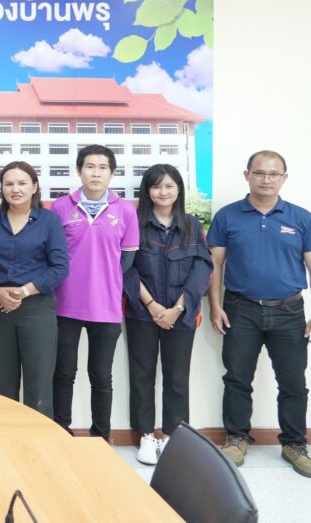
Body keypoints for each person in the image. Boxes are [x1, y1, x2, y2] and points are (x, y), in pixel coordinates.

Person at [207, 150, 311, 478]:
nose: (266, 179)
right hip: (240, 309)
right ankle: (236, 438)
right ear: (247, 175)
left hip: (289, 312)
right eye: (259, 173)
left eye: (274, 174)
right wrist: (215, 305)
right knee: (237, 378)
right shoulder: (227, 217)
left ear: (284, 178)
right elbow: (215, 264)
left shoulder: (302, 218)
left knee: (293, 382)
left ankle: (295, 444)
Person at [123, 164, 212, 465]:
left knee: (177, 377)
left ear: (178, 190)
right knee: (142, 374)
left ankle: (174, 437)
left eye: (169, 186)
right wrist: (152, 305)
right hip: (142, 312)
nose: (163, 192)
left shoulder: (191, 225)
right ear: (147, 191)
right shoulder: (135, 223)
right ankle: (146, 435)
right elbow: (127, 269)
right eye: (157, 186)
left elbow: (202, 267)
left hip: (182, 314)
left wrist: (178, 308)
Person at [50, 144, 138, 440]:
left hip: (106, 306)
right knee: (63, 372)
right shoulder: (60, 207)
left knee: (101, 376)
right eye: (90, 166)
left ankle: (101, 436)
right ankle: (61, 432)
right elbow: (54, 255)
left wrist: (104, 280)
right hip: (65, 305)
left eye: (102, 167)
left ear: (112, 173)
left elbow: (127, 258)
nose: (96, 173)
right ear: (79, 171)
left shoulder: (125, 210)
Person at [0, 161, 69, 414]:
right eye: (9, 184)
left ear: (34, 187)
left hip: (36, 308)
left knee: (38, 383)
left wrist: (25, 291)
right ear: (2, 188)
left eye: (22, 183)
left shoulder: (49, 220)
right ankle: (5, 435)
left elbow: (60, 267)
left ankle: (37, 437)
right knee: (2, 381)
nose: (15, 189)